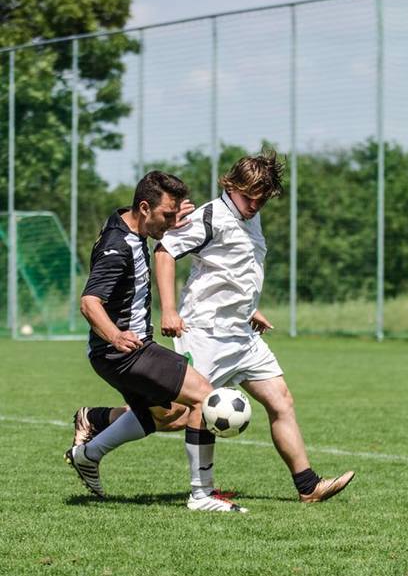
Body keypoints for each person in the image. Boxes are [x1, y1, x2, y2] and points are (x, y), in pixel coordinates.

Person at [75, 153, 354, 506]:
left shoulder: (250, 217)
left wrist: (249, 307)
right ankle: (102, 429)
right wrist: (169, 310)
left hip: (242, 333)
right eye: (248, 197)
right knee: (177, 414)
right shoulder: (209, 217)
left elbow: (234, 269)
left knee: (280, 400)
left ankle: (307, 485)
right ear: (231, 186)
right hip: (206, 333)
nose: (254, 205)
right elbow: (164, 251)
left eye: (262, 199)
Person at [65, 169, 247, 513]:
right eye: (166, 214)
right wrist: (116, 335)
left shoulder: (130, 223)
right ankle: (202, 496)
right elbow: (89, 303)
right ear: (145, 208)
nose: (170, 222)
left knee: (170, 415)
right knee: (205, 397)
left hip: (114, 355)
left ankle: (89, 452)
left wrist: (171, 219)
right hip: (126, 352)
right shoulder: (117, 247)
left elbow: (148, 221)